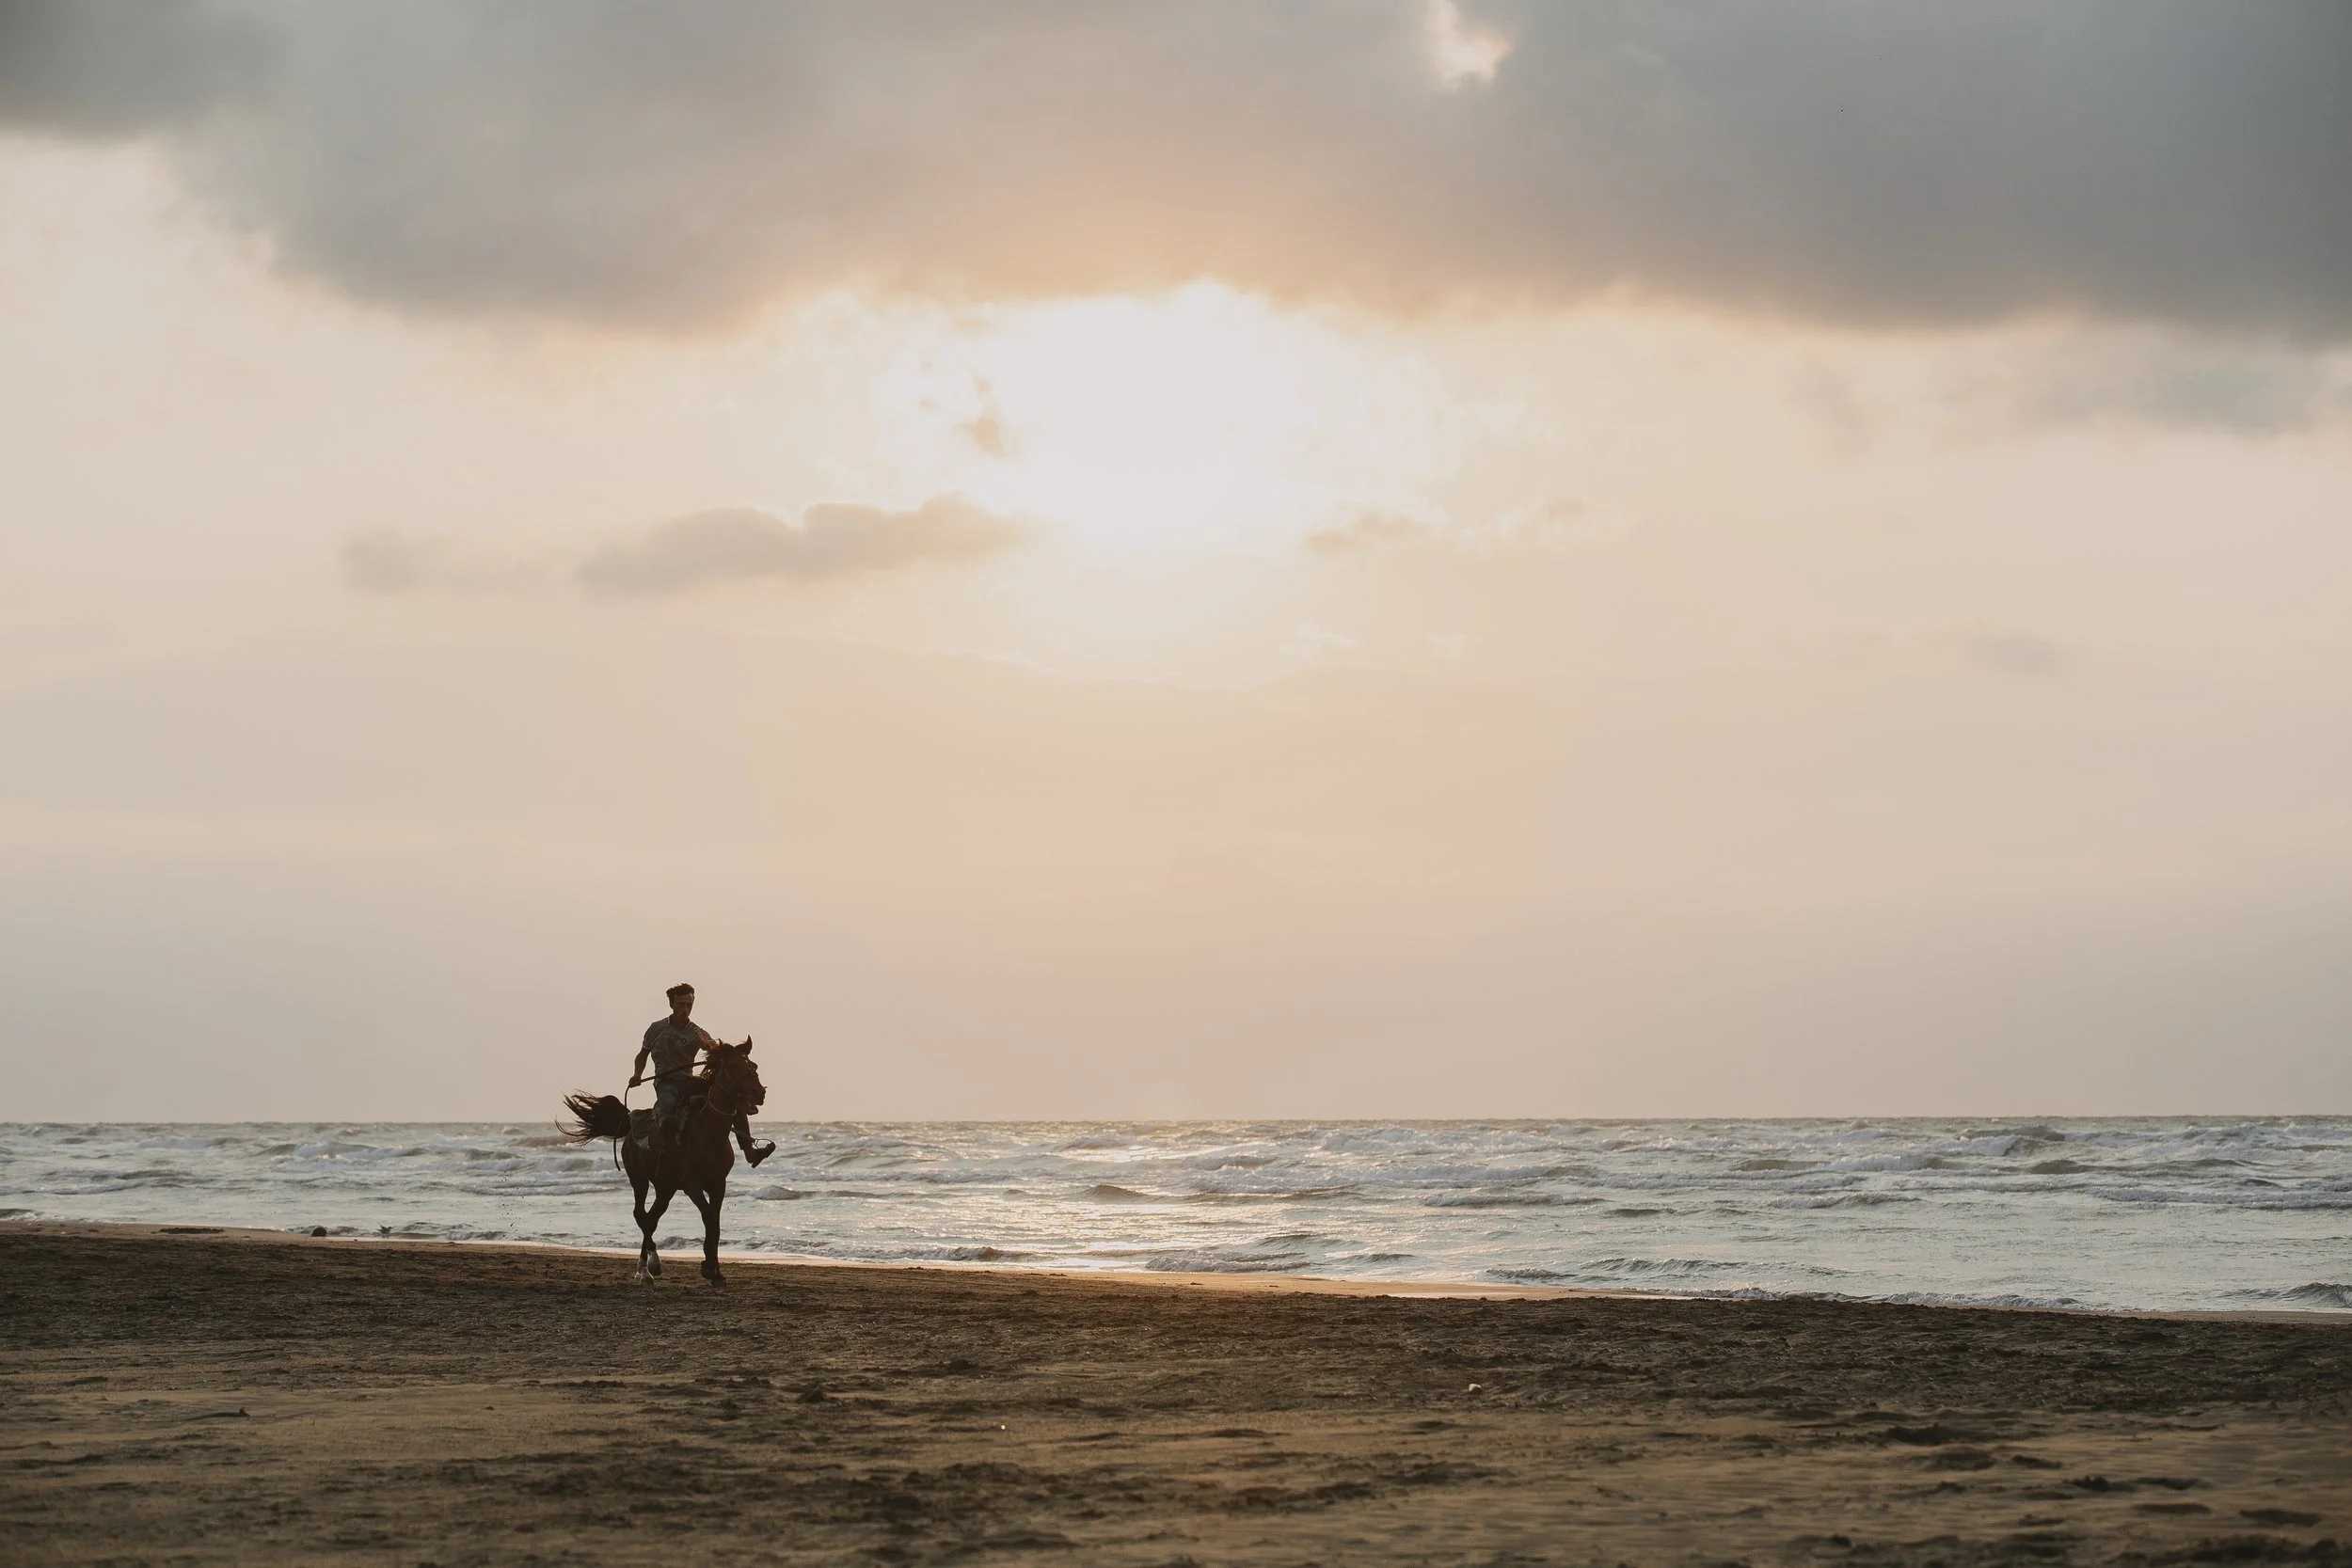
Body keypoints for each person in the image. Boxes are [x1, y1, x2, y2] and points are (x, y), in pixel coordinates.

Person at [629, 982, 774, 1166]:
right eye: (681, 1004)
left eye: (689, 1005)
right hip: (666, 1083)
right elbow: (642, 1055)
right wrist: (636, 1074)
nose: (685, 1009)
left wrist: (717, 1050)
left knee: (732, 1103)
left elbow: (714, 1048)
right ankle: (667, 1161)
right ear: (672, 1005)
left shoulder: (697, 1032)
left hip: (690, 1081)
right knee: (667, 1119)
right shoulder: (656, 1029)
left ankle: (749, 1152)